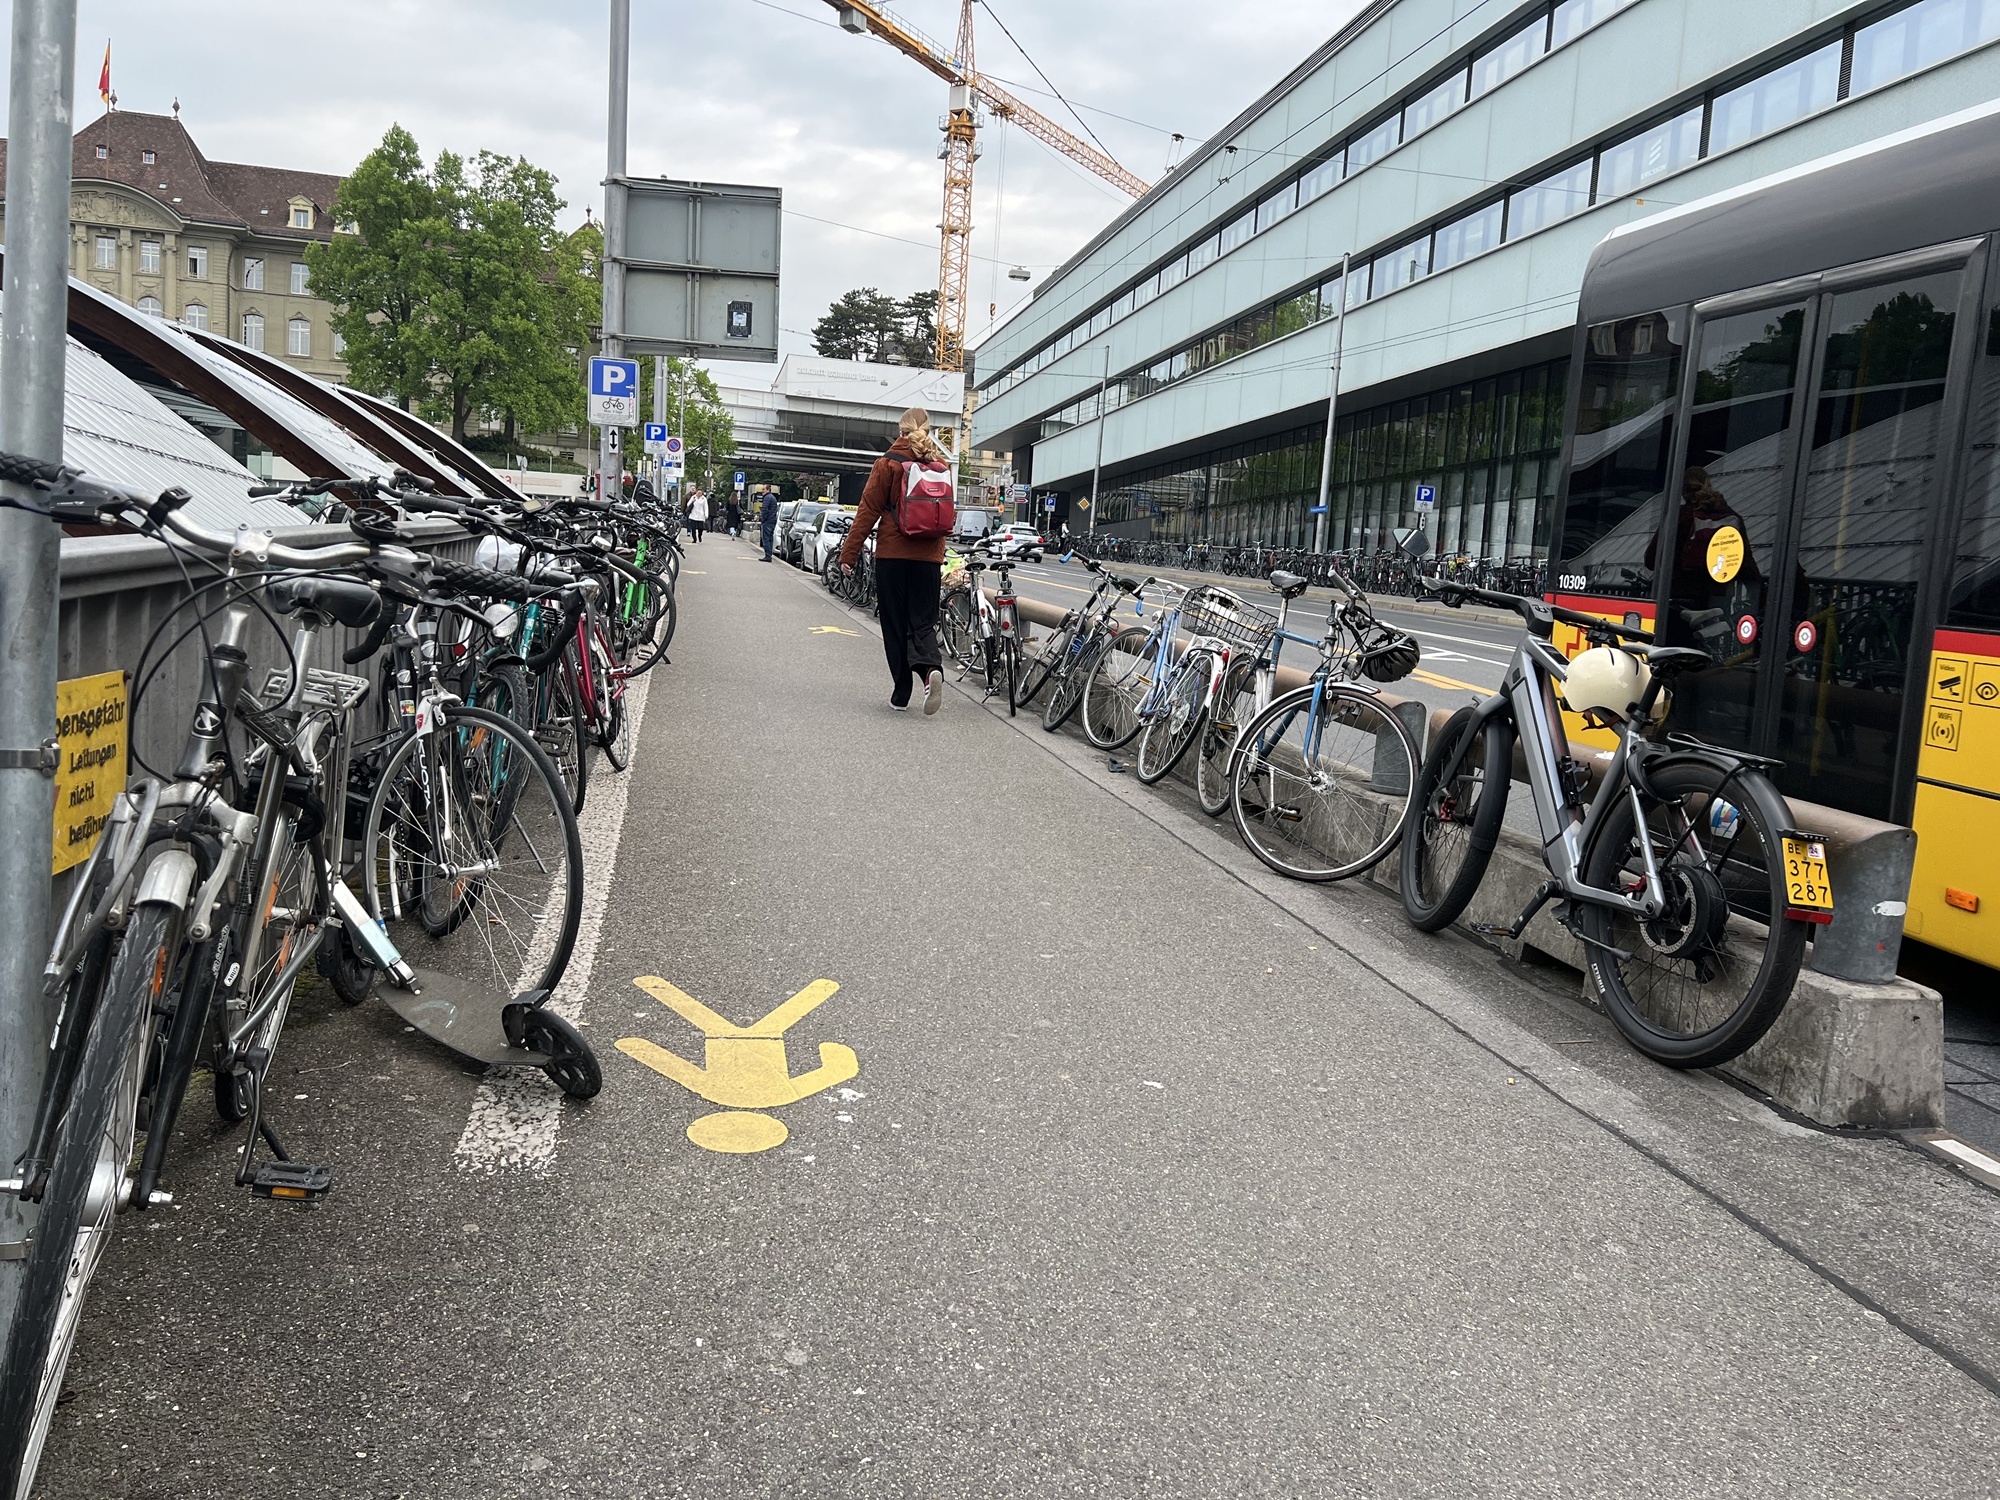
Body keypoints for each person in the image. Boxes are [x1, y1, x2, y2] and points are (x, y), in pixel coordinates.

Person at [841, 407, 949, 715]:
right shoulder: (940, 466)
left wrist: (849, 553)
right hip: (928, 558)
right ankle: (930, 672)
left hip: (892, 555)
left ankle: (902, 693)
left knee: (894, 624)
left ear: (899, 430)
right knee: (923, 621)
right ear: (929, 431)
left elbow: (868, 510)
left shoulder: (887, 463)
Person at [759, 486, 781, 562]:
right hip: (772, 520)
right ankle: (769, 555)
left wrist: (763, 519)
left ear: (768, 490)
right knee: (770, 538)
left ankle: (768, 556)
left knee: (766, 538)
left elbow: (765, 510)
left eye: (763, 489)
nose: (762, 490)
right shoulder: (772, 497)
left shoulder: (767, 498)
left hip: (768, 521)